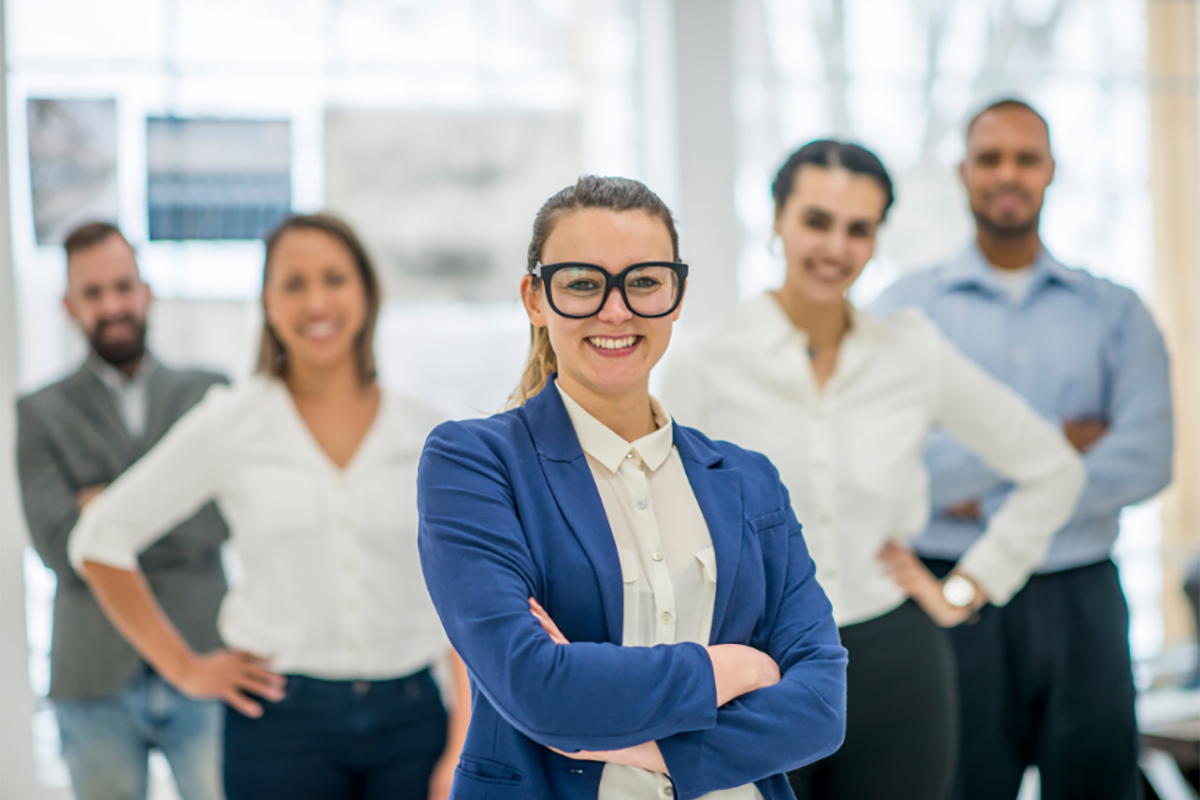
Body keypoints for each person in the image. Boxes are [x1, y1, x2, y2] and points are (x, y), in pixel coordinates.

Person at [659, 140, 1086, 800]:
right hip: (752, 664)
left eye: (859, 228)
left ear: (878, 237)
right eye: (817, 221)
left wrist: (966, 590)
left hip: (895, 664)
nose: (836, 247)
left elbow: (1053, 468)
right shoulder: (707, 360)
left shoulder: (911, 352)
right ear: (777, 220)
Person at [417, 175, 847, 800]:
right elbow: (536, 687)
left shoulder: (750, 481)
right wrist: (732, 667)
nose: (614, 310)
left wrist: (627, 741)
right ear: (535, 299)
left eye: (643, 281)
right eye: (582, 283)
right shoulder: (474, 464)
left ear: (677, 295)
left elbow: (820, 708)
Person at [67, 213, 471, 800]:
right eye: (293, 283)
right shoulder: (231, 422)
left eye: (334, 278)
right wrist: (185, 668)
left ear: (366, 290)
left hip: (414, 720)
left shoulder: (428, 432)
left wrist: (462, 742)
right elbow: (98, 539)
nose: (316, 301)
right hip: (280, 724)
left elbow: (464, 598)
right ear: (268, 303)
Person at [873, 99, 1174, 800]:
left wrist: (982, 481)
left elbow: (1148, 456)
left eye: (1025, 158)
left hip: (1082, 597)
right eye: (990, 157)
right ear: (963, 172)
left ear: (1050, 172)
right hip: (952, 596)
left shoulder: (1116, 312)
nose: (1007, 173)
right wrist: (1055, 444)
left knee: (1100, 788)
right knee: (959, 786)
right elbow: (888, 467)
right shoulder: (902, 312)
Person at [16, 221, 229, 800]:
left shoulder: (210, 393)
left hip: (208, 660)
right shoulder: (38, 413)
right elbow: (60, 545)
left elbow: (222, 521)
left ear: (146, 290)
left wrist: (105, 507)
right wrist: (172, 503)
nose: (111, 305)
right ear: (68, 304)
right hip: (92, 678)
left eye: (121, 286)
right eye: (93, 293)